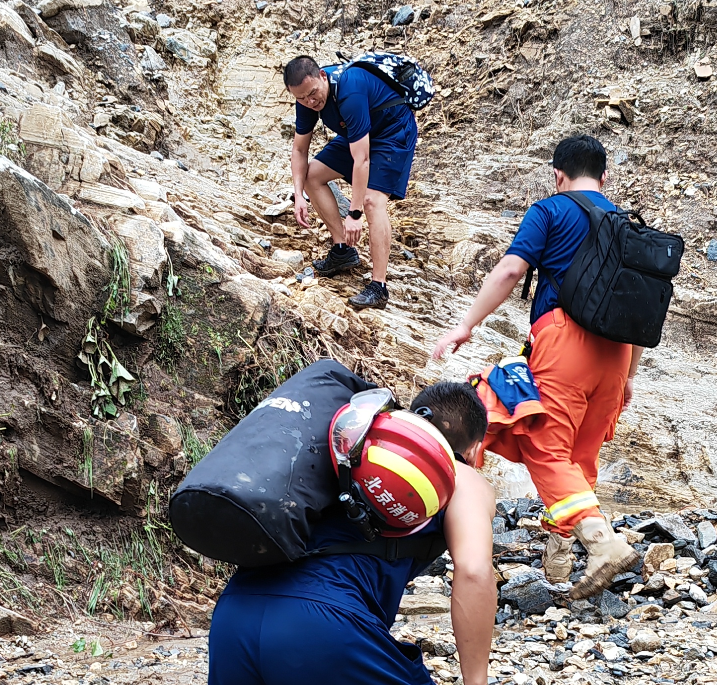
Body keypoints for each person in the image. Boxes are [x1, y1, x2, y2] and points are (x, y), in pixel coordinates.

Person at [431, 134, 642, 600]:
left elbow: (510, 271)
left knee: (546, 443)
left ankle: (602, 544)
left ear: (557, 175)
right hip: (620, 350)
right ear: (604, 178)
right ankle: (559, 565)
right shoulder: (627, 225)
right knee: (580, 454)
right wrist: (629, 376)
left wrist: (465, 325)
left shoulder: (550, 210)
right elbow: (642, 309)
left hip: (565, 340)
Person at [207, 382, 496, 685]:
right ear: (475, 449)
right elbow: (474, 571)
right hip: (325, 627)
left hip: (234, 616)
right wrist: (476, 680)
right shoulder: (458, 475)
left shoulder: (349, 447)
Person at [284, 55, 420, 310]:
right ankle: (343, 250)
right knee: (312, 176)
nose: (310, 102)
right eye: (301, 98)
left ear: (323, 76)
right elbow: (299, 150)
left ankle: (379, 287)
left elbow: (363, 160)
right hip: (359, 135)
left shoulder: (349, 90)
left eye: (313, 94)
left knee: (371, 201)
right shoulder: (305, 99)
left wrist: (354, 213)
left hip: (393, 132)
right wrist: (299, 195)